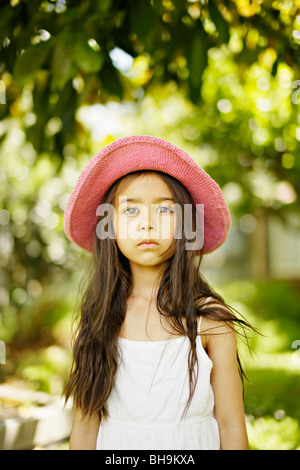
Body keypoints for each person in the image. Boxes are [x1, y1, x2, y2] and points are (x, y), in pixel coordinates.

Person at [63, 135, 253, 450]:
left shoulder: (210, 321)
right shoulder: (99, 320)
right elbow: (84, 432)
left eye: (165, 210)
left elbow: (231, 426)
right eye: (131, 211)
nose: (148, 224)